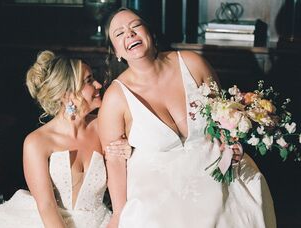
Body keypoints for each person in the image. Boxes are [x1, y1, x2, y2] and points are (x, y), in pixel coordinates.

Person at [98, 7, 277, 228]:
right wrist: (119, 213)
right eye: (119, 33)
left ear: (150, 33)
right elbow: (114, 160)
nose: (129, 34)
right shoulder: (115, 98)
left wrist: (232, 145)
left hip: (213, 169)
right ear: (116, 51)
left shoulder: (192, 64)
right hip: (158, 191)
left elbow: (222, 118)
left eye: (135, 26)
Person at [0, 50, 130, 228]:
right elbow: (47, 206)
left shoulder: (104, 126)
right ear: (66, 93)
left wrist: (131, 150)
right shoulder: (37, 142)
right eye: (89, 80)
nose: (98, 85)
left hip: (101, 222)